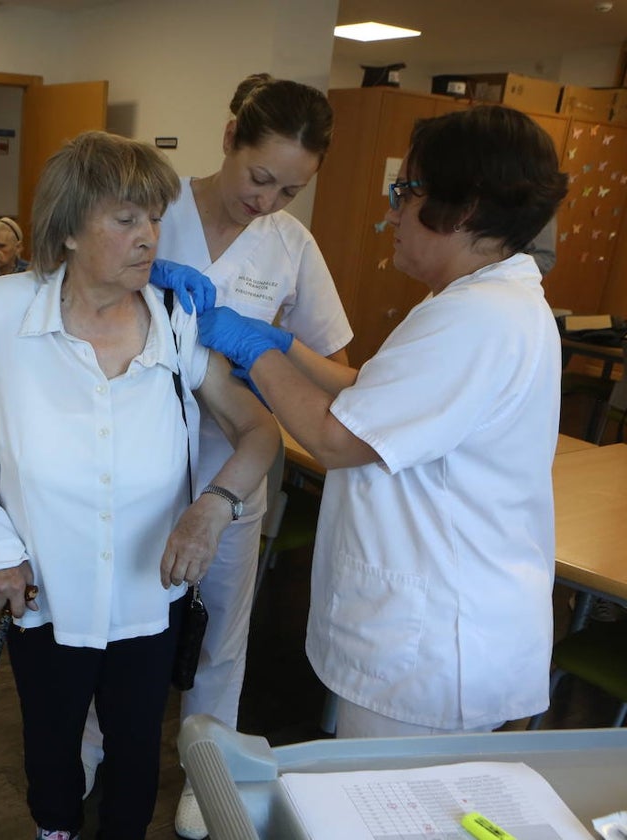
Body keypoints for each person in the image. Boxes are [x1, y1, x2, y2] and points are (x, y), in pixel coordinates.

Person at [0, 130, 278, 840]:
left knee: (138, 744)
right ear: (70, 229)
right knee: (51, 743)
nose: (148, 236)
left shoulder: (174, 321)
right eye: (126, 219)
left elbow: (259, 429)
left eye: (152, 218)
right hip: (45, 587)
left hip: (151, 594)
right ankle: (55, 830)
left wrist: (213, 507)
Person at [196, 105, 567, 741]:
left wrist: (255, 353)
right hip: (441, 622)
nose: (391, 214)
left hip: (433, 642)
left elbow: (338, 439)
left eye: (406, 192)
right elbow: (375, 394)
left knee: (389, 809)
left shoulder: (479, 318)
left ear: (465, 208)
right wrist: (283, 346)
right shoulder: (477, 301)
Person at [87, 72, 352, 839]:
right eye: (259, 176)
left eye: (289, 191)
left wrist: (264, 342)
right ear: (230, 136)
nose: (267, 202)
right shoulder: (153, 212)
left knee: (221, 631)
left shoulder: (291, 246)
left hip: (236, 465)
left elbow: (333, 364)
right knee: (117, 621)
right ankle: (92, 741)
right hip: (129, 466)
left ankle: (210, 768)